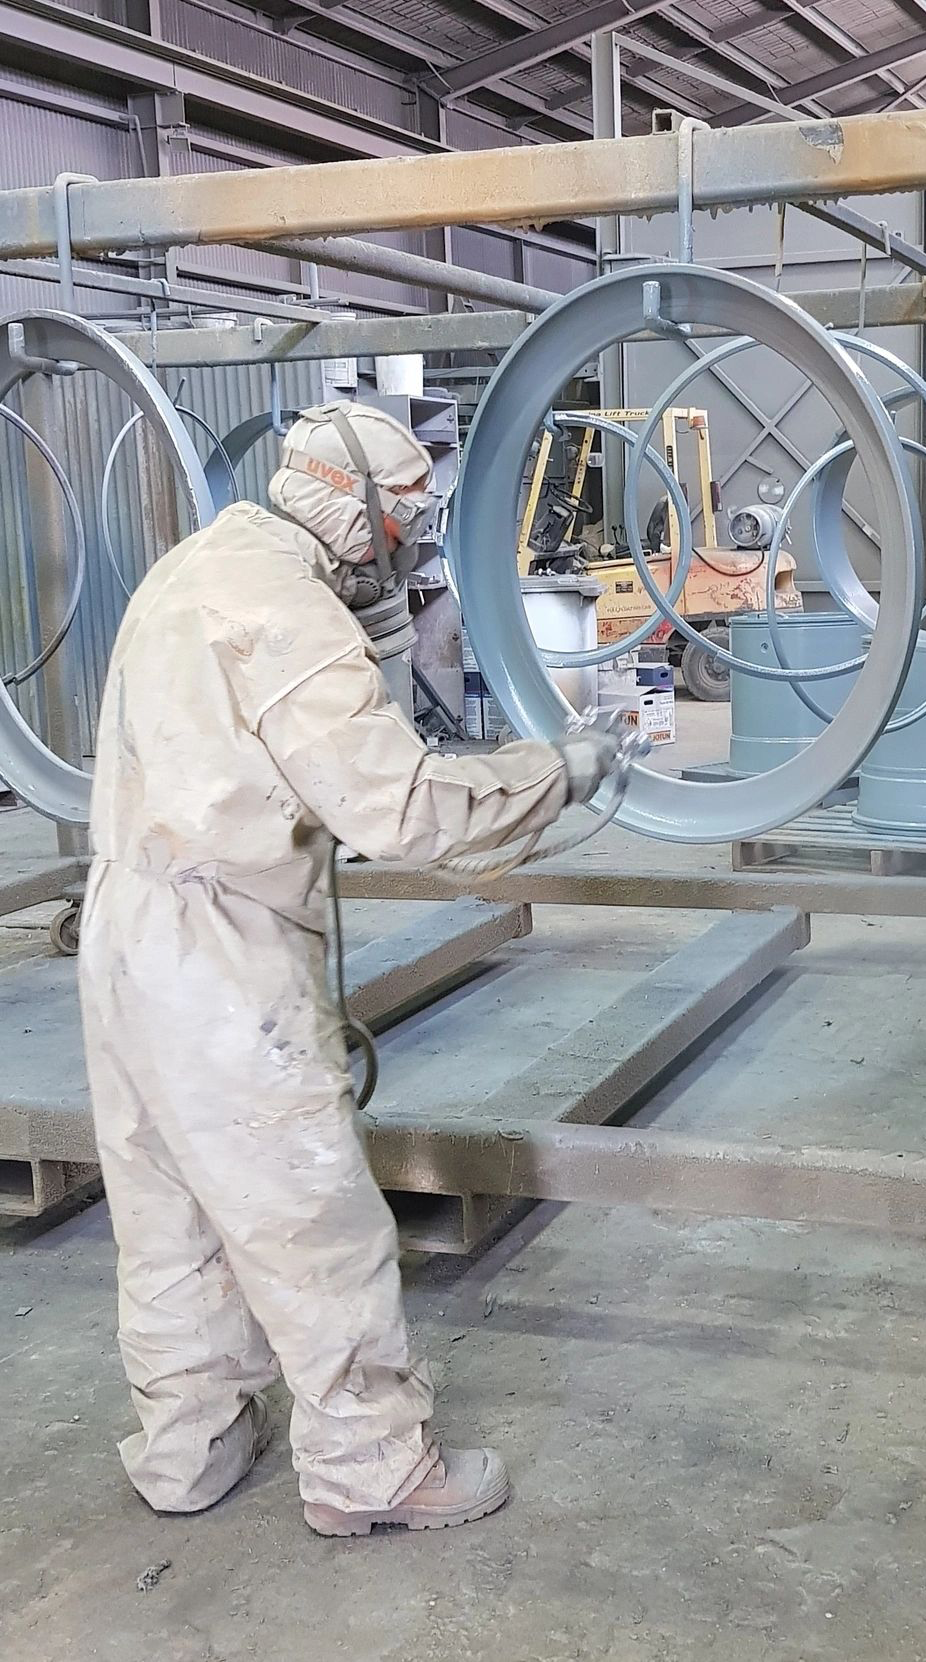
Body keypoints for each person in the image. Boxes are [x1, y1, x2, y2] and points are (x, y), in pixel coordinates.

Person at [78, 400, 621, 1537]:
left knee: (168, 1210)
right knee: (309, 1213)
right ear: (360, 513)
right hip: (221, 959)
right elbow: (401, 808)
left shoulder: (195, 567)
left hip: (128, 930)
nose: (413, 544)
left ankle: (190, 1445)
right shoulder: (286, 614)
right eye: (409, 520)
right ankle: (371, 1471)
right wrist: (552, 775)